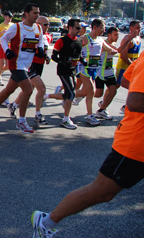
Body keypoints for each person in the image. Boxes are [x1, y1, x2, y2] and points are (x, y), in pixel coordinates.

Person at [31, 57, 144, 237]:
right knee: (103, 192)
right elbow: (136, 101)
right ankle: (45, 222)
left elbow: (126, 79)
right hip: (136, 144)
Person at [0, 3, 45, 133]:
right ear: (27, 14)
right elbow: (3, 39)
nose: (37, 15)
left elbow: (40, 40)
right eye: (35, 13)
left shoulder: (38, 29)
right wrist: (7, 50)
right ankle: (22, 121)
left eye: (38, 13)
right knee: (28, 89)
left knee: (9, 90)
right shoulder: (17, 28)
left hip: (26, 65)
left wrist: (40, 48)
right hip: (16, 63)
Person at [73, 19, 135, 125]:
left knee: (105, 91)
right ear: (95, 28)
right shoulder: (90, 40)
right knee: (93, 92)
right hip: (90, 70)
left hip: (102, 71)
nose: (103, 30)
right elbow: (75, 49)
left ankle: (98, 110)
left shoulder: (101, 41)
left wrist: (129, 38)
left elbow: (117, 51)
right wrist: (80, 60)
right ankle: (86, 110)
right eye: (102, 28)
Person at [115, 20, 141, 86]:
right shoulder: (127, 39)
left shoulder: (138, 38)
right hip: (123, 67)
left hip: (132, 66)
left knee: (134, 85)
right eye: (137, 28)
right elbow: (123, 56)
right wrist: (132, 65)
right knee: (116, 86)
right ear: (131, 28)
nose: (139, 29)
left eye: (140, 28)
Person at [0, 11, 14, 85]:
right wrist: (2, 32)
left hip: (9, 44)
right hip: (1, 44)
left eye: (11, 17)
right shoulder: (0, 26)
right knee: (1, 62)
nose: (10, 19)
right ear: (5, 17)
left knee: (9, 65)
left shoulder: (12, 25)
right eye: (9, 17)